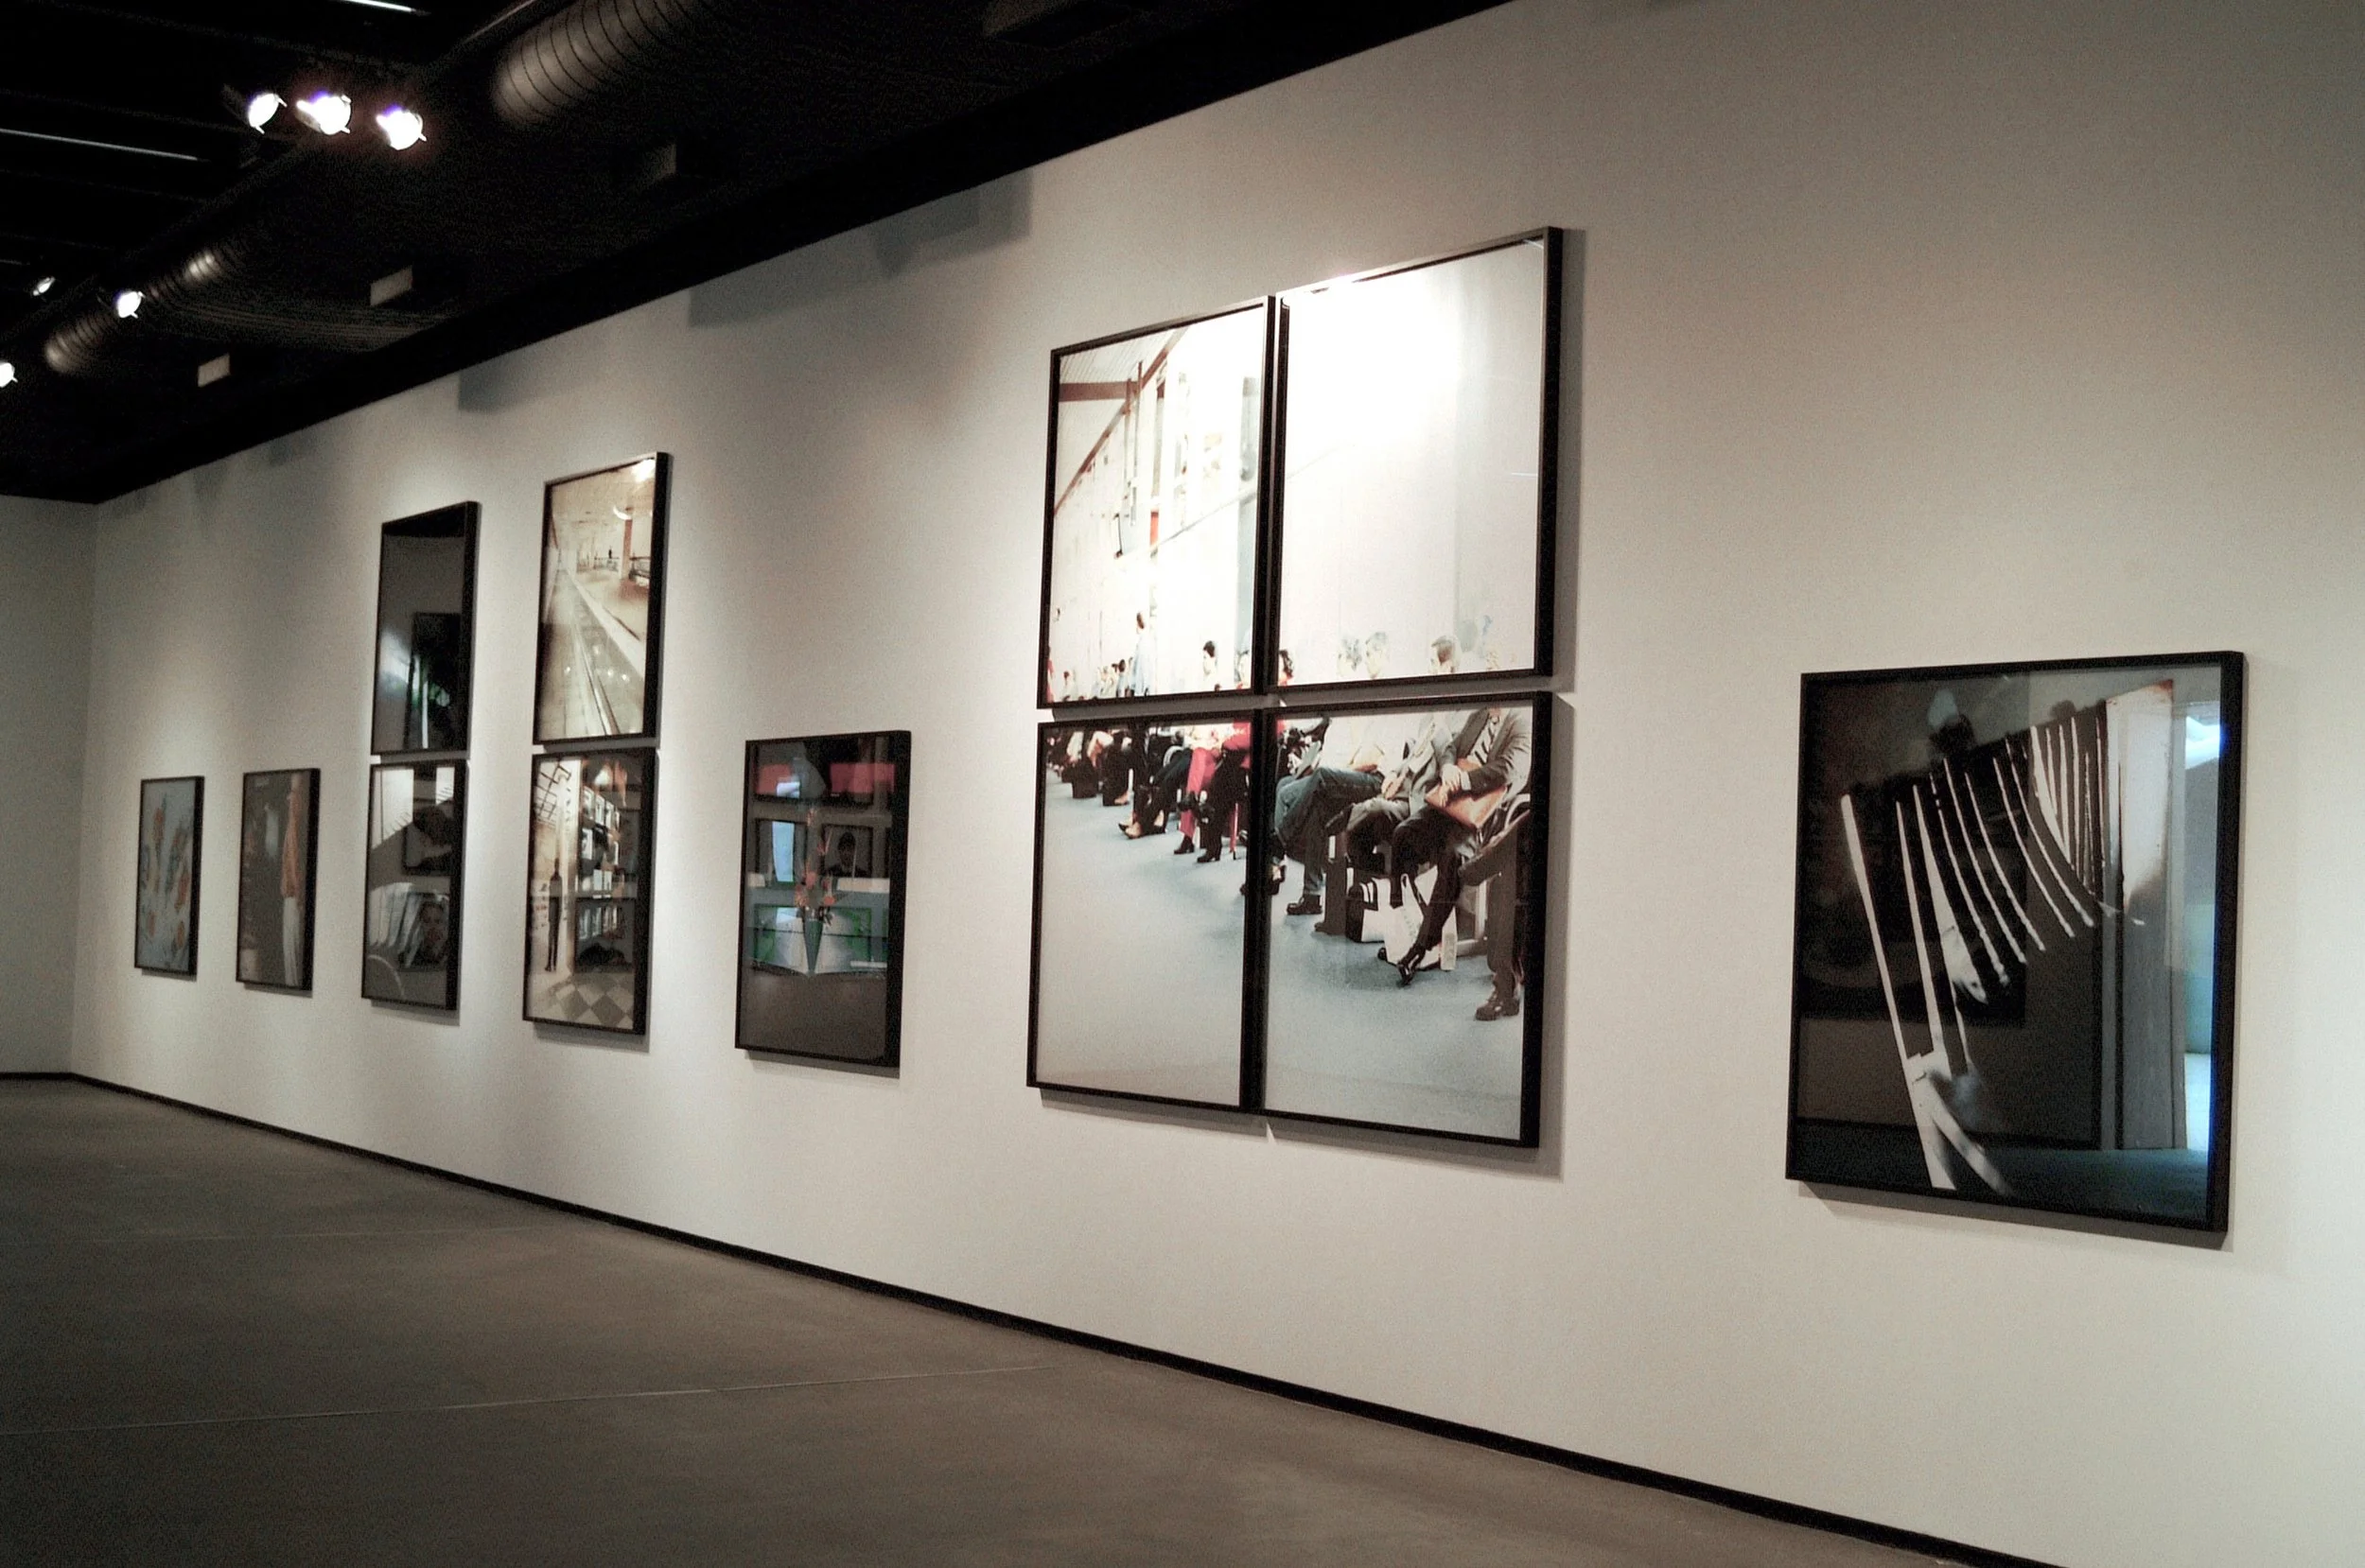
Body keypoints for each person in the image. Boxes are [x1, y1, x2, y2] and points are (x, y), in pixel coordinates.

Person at [1387, 704, 1533, 987]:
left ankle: (1421, 948)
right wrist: (1448, 769)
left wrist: (1463, 780)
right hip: (1450, 804)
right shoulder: (1479, 714)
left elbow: (1509, 769)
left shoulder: (1521, 723)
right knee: (1403, 834)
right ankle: (1404, 920)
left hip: (1483, 818)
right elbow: (1452, 747)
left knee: (1453, 857)